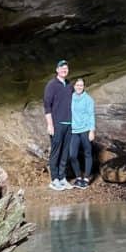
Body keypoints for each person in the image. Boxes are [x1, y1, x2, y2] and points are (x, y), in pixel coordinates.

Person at [43, 59, 73, 191]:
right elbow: (47, 106)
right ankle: (54, 179)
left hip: (69, 124)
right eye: (61, 68)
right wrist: (50, 125)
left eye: (66, 68)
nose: (64, 70)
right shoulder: (51, 85)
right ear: (57, 70)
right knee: (56, 152)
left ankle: (62, 178)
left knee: (65, 152)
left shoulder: (69, 85)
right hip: (57, 124)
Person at [69, 77, 95, 189]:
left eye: (81, 85)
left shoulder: (88, 99)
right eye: (77, 85)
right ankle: (78, 177)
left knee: (87, 153)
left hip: (85, 130)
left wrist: (92, 131)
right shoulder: (70, 98)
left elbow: (91, 115)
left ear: (84, 87)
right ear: (74, 86)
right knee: (72, 155)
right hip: (74, 131)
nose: (79, 87)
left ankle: (86, 178)